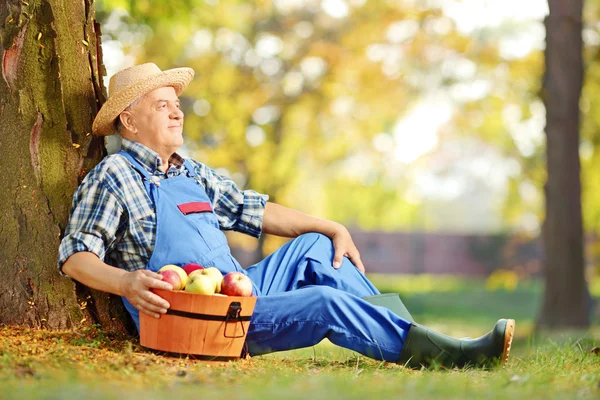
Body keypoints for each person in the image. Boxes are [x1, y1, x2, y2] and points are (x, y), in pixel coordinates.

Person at [59, 63, 515, 369]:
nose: (177, 110)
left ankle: (411, 334)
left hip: (238, 293)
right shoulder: (115, 175)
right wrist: (126, 283)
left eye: (176, 103)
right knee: (323, 302)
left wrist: (331, 226)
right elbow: (75, 255)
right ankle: (446, 356)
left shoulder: (190, 171)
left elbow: (251, 210)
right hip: (197, 322)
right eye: (162, 105)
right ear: (128, 121)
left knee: (318, 246)